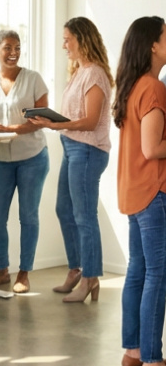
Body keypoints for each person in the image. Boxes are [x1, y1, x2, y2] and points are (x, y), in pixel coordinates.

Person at [29, 17, 113, 303]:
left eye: (68, 39)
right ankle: (78, 270)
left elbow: (90, 121)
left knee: (84, 216)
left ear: (82, 39)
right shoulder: (80, 72)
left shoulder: (95, 74)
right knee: (64, 209)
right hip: (73, 148)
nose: (64, 44)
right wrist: (53, 122)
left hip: (88, 151)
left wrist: (55, 125)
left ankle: (91, 278)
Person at [112, 16, 166, 366]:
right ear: (152, 45)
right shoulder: (154, 88)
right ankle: (152, 360)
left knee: (138, 271)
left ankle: (132, 351)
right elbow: (152, 148)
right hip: (154, 192)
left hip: (134, 191)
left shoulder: (132, 86)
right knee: (157, 275)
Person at [0, 30, 50, 293]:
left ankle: (24, 273)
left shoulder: (33, 79)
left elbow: (41, 120)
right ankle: (2, 271)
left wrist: (8, 127)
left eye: (17, 47)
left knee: (28, 217)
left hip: (32, 158)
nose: (14, 53)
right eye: (7, 48)